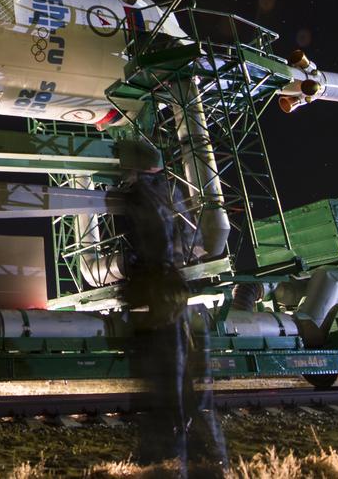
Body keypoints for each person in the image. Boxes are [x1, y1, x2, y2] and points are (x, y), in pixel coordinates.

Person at [118, 140, 226, 477]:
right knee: (178, 377)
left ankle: (172, 451)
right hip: (170, 292)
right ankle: (199, 451)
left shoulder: (141, 196)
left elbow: (153, 243)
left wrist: (138, 280)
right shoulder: (168, 191)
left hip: (158, 293)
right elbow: (183, 239)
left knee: (165, 376)